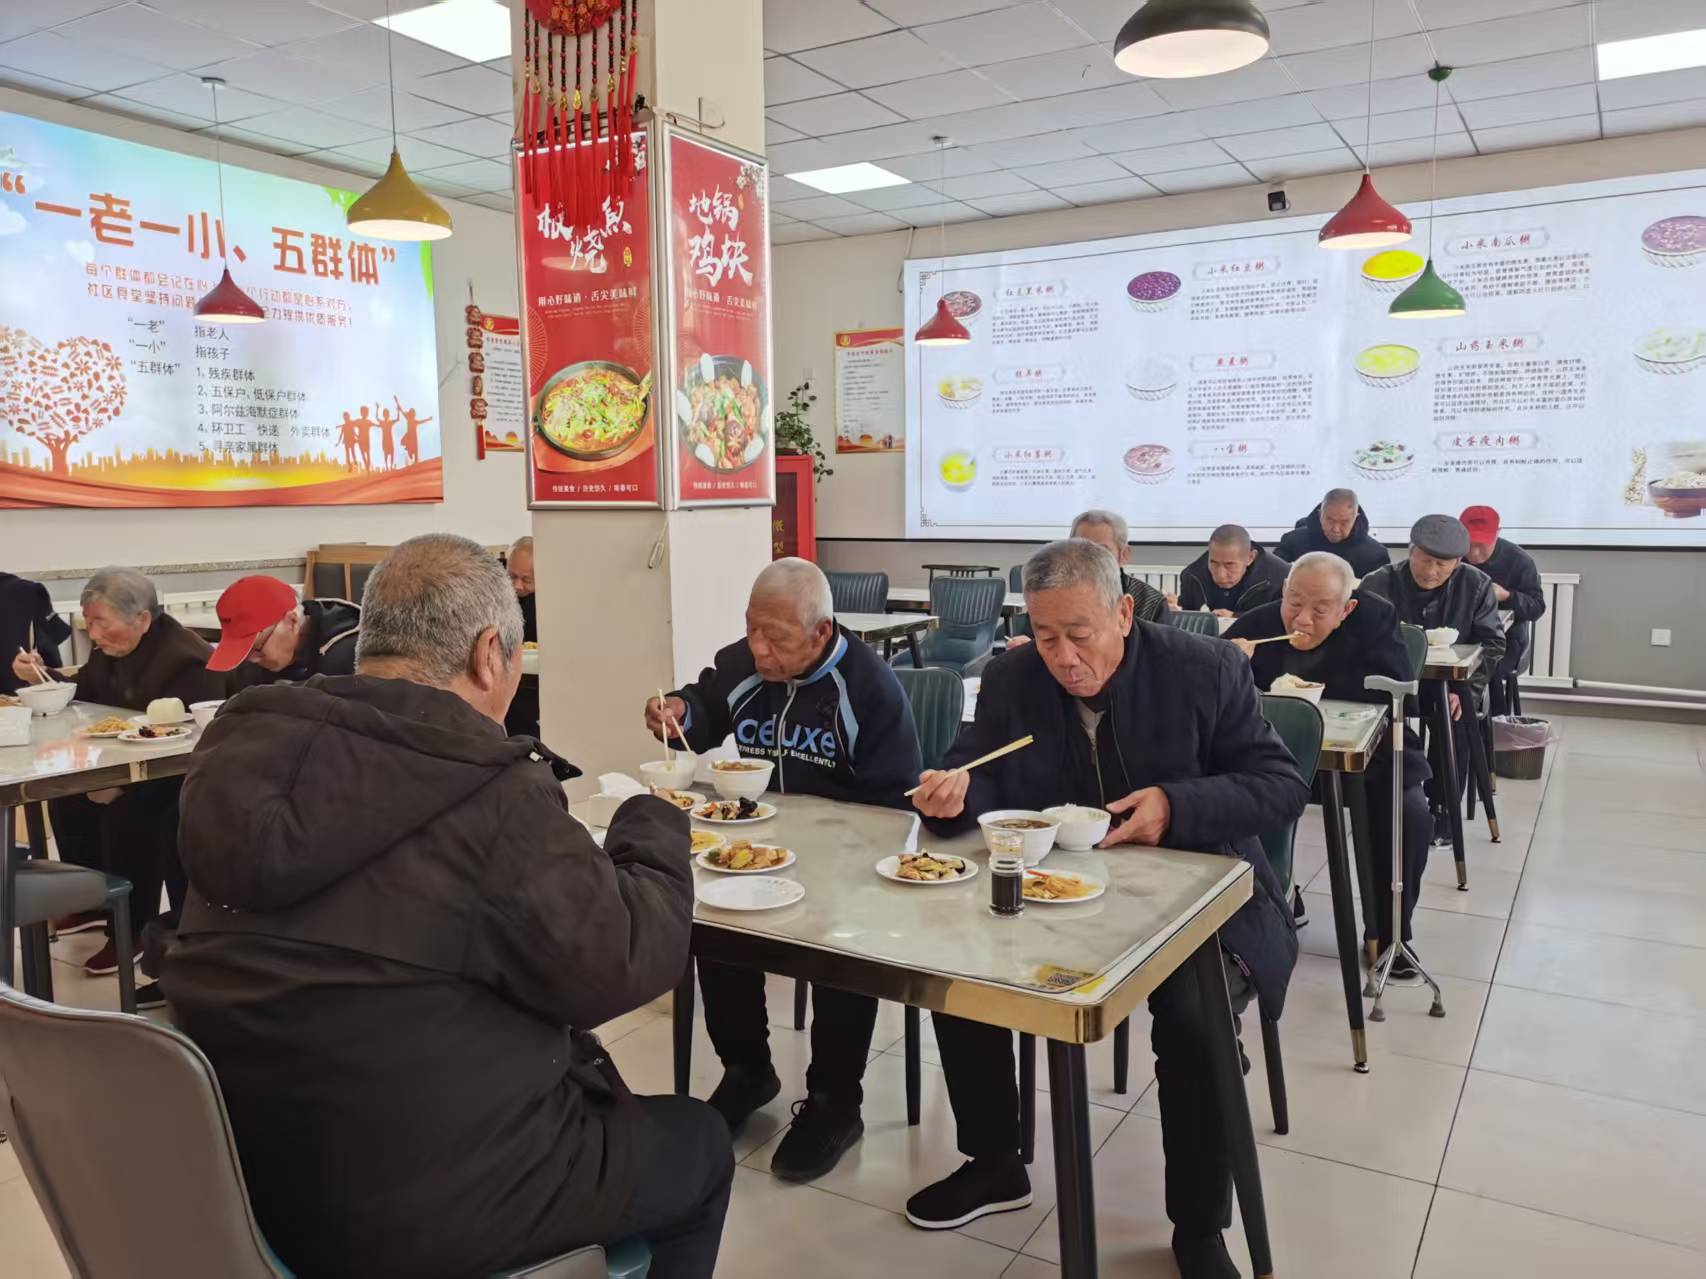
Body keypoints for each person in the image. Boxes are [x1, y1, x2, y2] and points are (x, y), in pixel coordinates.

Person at [164, 535, 731, 1279]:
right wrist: (652, 824)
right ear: (489, 653)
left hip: (243, 1179)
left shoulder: (237, 755)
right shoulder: (487, 790)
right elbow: (621, 963)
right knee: (699, 1142)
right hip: (427, 1204)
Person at [906, 540, 1306, 1279]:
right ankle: (995, 1162)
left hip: (1197, 900)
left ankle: (1198, 1226)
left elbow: (1280, 784)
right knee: (958, 970)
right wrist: (952, 794)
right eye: (1045, 635)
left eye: (1079, 634)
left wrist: (1175, 806)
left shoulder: (1205, 669)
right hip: (1059, 893)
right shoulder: (1013, 676)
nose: (1062, 658)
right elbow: (981, 770)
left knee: (1194, 1020)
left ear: (1123, 612)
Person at [645, 557, 923, 1182]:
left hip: (844, 865)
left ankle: (834, 1103)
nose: (759, 650)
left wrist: (832, 848)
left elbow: (895, 806)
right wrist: (680, 711)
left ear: (822, 632)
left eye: (775, 638)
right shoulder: (744, 665)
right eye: (752, 630)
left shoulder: (870, 688)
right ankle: (747, 1070)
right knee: (716, 922)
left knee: (841, 945)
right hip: (760, 848)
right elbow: (704, 708)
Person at [10, 568, 226, 987]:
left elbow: (192, 742)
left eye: (99, 622)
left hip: (179, 774)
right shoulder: (112, 648)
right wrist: (41, 675)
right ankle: (91, 902)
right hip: (129, 761)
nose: (92, 634)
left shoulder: (187, 660)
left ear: (142, 619)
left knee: (127, 813)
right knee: (68, 797)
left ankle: (132, 928)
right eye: (88, 622)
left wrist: (122, 785)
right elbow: (87, 690)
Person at [1227, 553, 1434, 981]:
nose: (1301, 619)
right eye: (1293, 603)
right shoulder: (1259, 622)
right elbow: (1207, 685)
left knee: (1409, 815)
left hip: (1368, 758)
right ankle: (1269, 907)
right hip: (1277, 761)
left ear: (1347, 608)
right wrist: (1226, 661)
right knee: (1224, 799)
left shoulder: (1375, 619)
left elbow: (1398, 695)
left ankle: (1389, 932)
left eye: (1320, 610)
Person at [1361, 515, 1505, 840]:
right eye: (1425, 560)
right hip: (1391, 684)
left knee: (1455, 718)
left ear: (1458, 563)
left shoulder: (1476, 585)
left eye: (1442, 564)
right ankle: (1382, 799)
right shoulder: (1378, 582)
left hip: (1447, 686)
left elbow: (1493, 644)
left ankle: (1444, 807)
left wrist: (1467, 689)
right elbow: (1358, 639)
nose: (1431, 571)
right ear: (1410, 551)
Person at [1008, 510, 1167, 654]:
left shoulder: (1151, 603)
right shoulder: (1050, 594)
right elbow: (1034, 638)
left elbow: (1159, 659)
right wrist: (1028, 645)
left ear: (1124, 555)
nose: (1089, 560)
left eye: (1102, 551)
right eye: (1081, 549)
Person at [1460, 505, 1544, 715]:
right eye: (1469, 545)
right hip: (1461, 637)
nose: (1474, 553)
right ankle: (1447, 722)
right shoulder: (1451, 557)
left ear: (1497, 534)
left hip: (1507, 640)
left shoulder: (1519, 560)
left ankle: (1492, 725)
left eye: (1482, 545)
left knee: (1487, 667)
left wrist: (1507, 596)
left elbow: (1536, 607)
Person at [205, 574, 360, 685]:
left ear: (292, 622)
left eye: (257, 647)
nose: (253, 660)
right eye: (244, 652)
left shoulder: (353, 657)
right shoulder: (256, 664)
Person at [1172, 523, 1291, 616]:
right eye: (1214, 563)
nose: (1220, 575)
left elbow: (1284, 622)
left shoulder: (1282, 577)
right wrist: (1172, 612)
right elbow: (1184, 624)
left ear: (1250, 558)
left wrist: (1236, 618)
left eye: (1229, 565)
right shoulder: (1192, 576)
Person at [1275, 487, 1391, 577]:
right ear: (1320, 514)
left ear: (1356, 518)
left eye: (1344, 522)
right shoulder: (1292, 542)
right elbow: (1274, 578)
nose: (1336, 529)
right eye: (1330, 520)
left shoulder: (1375, 554)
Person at [1, 569, 69, 695]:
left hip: (21, 688)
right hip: (20, 694)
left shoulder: (26, 591)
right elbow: (53, 644)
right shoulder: (25, 590)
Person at [504, 535, 539, 738]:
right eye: (512, 577)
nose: (517, 586)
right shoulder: (499, 595)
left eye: (526, 580)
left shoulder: (551, 600)